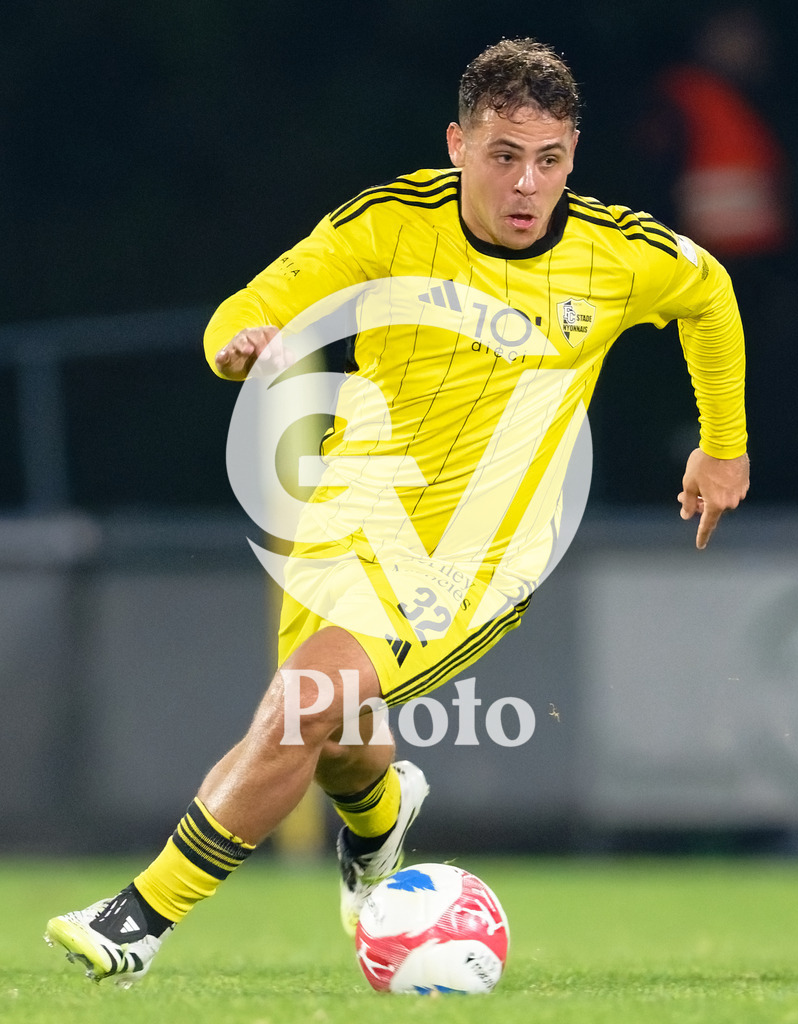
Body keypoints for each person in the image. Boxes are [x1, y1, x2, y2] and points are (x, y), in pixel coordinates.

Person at [44, 37, 749, 986]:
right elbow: (247, 307)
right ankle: (379, 824)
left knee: (308, 699)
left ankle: (140, 919)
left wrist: (722, 442)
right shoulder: (388, 226)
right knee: (332, 732)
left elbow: (710, 295)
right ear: (458, 144)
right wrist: (235, 347)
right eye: (502, 155)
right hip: (347, 520)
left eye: (547, 160)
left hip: (480, 557)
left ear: (572, 155)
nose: (525, 183)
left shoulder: (620, 256)